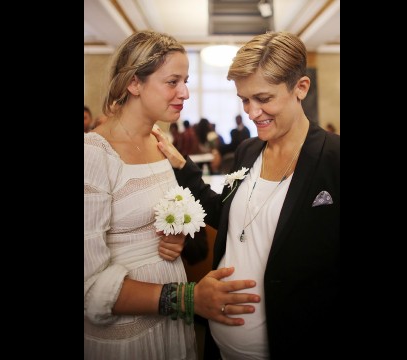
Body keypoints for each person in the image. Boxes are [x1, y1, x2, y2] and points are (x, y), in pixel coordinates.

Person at [153, 31, 340, 359]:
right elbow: (223, 214)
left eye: (264, 98)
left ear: (301, 88)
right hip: (222, 347)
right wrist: (182, 166)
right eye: (244, 100)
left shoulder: (334, 159)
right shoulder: (248, 150)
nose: (252, 112)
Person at [84, 29, 260, 360]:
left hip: (169, 323)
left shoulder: (157, 139)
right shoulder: (93, 154)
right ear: (135, 83)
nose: (186, 92)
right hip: (127, 331)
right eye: (173, 82)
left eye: (187, 80)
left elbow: (157, 212)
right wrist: (186, 298)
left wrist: (174, 234)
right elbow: (89, 288)